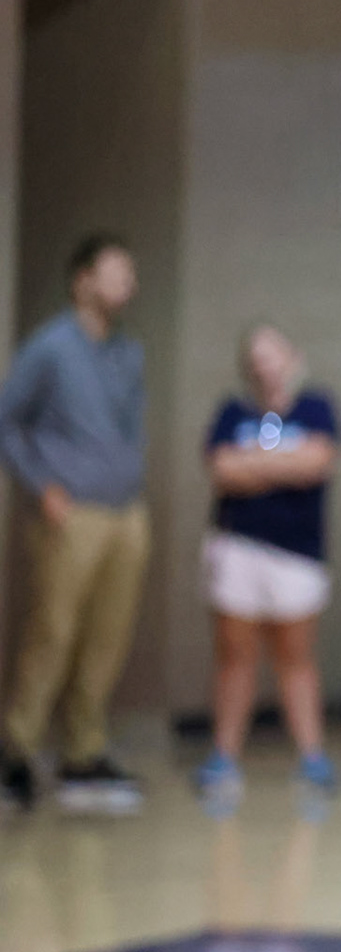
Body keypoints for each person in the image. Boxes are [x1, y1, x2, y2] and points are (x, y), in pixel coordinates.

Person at [0, 233, 151, 814]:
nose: (126, 283)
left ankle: (83, 751)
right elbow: (8, 421)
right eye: (115, 271)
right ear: (82, 280)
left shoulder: (128, 352)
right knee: (53, 632)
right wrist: (42, 484)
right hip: (72, 511)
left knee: (108, 636)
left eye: (130, 274)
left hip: (125, 511)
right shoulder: (50, 348)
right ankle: (16, 748)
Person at [196, 324, 341, 802]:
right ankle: (223, 757)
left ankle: (312, 759)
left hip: (297, 554)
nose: (266, 366)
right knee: (235, 656)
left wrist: (252, 464)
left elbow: (316, 463)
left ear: (293, 357)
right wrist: (283, 465)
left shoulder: (316, 407)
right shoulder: (232, 412)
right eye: (256, 357)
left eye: (273, 354)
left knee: (295, 657)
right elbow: (222, 470)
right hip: (237, 547)